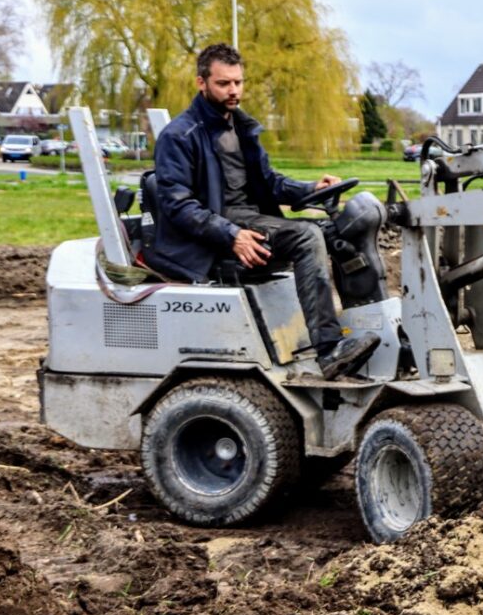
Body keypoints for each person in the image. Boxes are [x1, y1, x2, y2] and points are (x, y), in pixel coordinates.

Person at [149, 43, 379, 380]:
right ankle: (330, 350)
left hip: (248, 219)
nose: (233, 91)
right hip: (215, 232)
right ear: (201, 83)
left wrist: (310, 189)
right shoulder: (180, 136)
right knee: (306, 236)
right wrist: (231, 236)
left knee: (340, 232)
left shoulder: (241, 128)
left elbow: (269, 182)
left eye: (238, 82)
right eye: (223, 83)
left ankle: (362, 329)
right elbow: (178, 205)